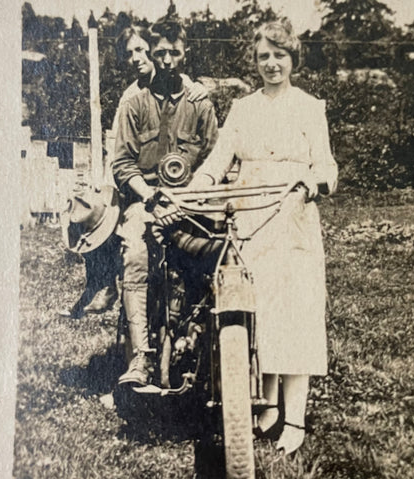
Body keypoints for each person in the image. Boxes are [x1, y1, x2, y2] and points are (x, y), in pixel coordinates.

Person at [189, 20, 338, 456]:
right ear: (254, 62)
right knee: (257, 314)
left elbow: (327, 168)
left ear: (293, 59)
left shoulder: (311, 107)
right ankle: (266, 404)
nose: (271, 64)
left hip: (292, 218)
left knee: (296, 316)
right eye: (263, 56)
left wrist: (310, 186)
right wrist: (193, 191)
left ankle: (294, 420)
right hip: (249, 221)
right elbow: (217, 163)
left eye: (280, 55)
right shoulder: (241, 108)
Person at [60, 24, 209, 319]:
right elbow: (121, 153)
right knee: (104, 216)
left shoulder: (190, 92)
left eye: (141, 50)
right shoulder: (132, 97)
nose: (137, 58)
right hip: (139, 186)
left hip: (182, 189)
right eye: (129, 53)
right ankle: (105, 284)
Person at [113, 13, 219, 386]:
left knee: (216, 256)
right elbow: (122, 164)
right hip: (145, 201)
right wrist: (151, 197)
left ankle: (203, 348)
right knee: (137, 256)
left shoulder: (200, 102)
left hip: (192, 201)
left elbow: (214, 159)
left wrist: (187, 200)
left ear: (185, 52)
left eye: (174, 52)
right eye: (160, 53)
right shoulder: (135, 101)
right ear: (152, 53)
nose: (167, 60)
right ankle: (140, 356)